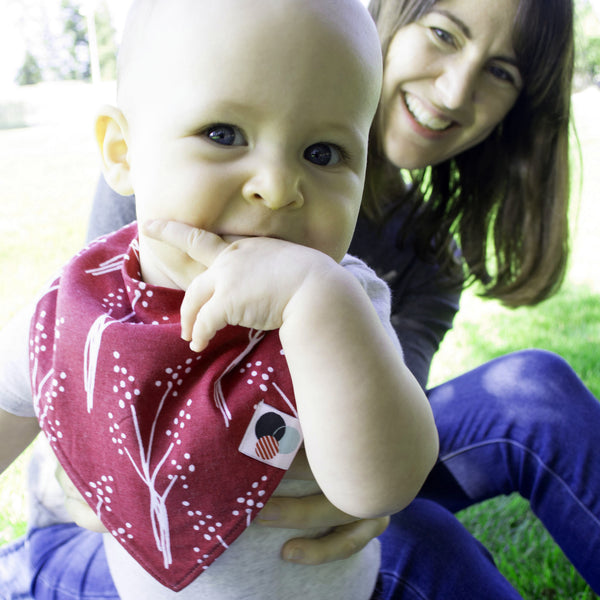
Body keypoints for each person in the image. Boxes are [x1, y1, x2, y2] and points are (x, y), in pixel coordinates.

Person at [2, 0, 600, 598]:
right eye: (223, 134)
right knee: (426, 544)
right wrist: (90, 464)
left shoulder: (359, 287)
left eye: (323, 153)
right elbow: (29, 390)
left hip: (299, 531)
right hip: (109, 534)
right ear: (123, 154)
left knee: (517, 415)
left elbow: (382, 472)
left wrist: (322, 307)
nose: (278, 186)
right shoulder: (98, 285)